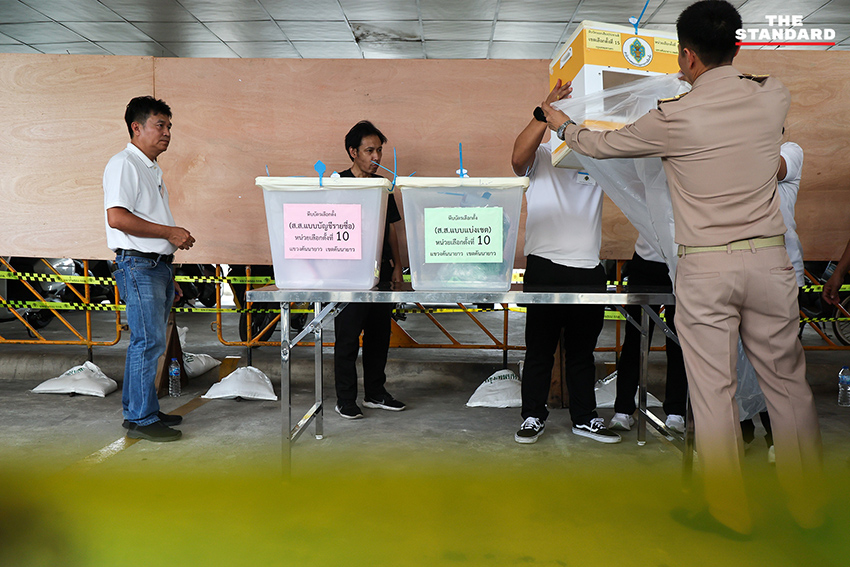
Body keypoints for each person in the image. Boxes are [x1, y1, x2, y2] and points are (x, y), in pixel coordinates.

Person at [541, 0, 822, 534]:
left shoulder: (674, 117)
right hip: (769, 263)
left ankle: (729, 513)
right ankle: (809, 507)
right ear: (736, 47)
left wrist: (562, 124)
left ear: (687, 56)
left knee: (712, 395)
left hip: (707, 271)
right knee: (789, 386)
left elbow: (603, 145)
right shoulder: (772, 95)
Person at [512, 80, 620, 445]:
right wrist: (543, 112)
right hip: (545, 267)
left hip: (589, 270)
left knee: (581, 353)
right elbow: (516, 159)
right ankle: (532, 416)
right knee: (539, 349)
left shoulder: (598, 159)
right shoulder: (542, 157)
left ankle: (584, 418)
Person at [104, 96, 195, 442]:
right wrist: (170, 233)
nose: (167, 132)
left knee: (149, 342)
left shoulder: (149, 167)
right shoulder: (125, 164)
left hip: (153, 266)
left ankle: (140, 411)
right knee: (147, 342)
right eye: (160, 125)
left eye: (169, 126)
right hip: (140, 265)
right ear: (136, 127)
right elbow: (118, 217)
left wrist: (167, 268)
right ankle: (141, 417)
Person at [333, 120, 405, 419]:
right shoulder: (338, 183)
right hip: (348, 273)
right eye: (369, 151)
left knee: (379, 335)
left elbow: (390, 230)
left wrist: (398, 266)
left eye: (379, 151)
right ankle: (345, 399)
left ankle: (376, 393)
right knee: (348, 337)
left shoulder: (381, 187)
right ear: (353, 152)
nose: (376, 157)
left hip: (381, 273)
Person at [739, 141, 804, 462]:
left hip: (782, 276)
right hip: (742, 274)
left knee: (775, 364)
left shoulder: (789, 151)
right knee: (738, 362)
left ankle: (781, 441)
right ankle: (743, 431)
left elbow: (770, 168)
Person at [609, 237, 688, 434]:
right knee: (635, 339)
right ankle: (623, 410)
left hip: (682, 260)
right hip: (645, 261)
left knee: (679, 340)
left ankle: (676, 412)